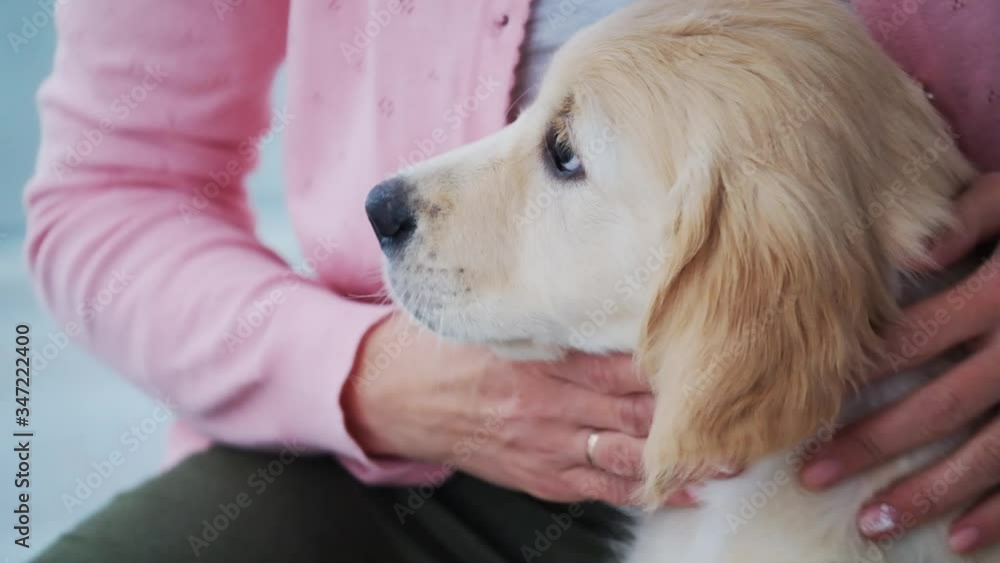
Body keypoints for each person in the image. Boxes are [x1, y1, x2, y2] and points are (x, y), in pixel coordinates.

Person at [23, 0, 999, 561]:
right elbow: (111, 188)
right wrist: (364, 377)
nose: (406, 198)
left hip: (906, 422)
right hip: (404, 455)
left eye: (564, 151)